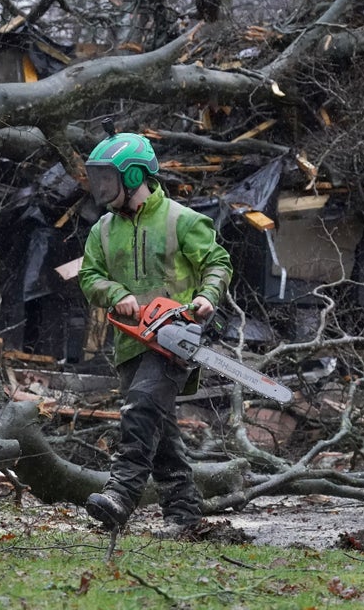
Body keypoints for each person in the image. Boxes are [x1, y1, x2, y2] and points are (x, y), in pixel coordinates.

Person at [78, 131, 233, 534]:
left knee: (141, 408)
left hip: (174, 340)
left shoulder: (182, 220)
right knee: (160, 432)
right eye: (98, 179)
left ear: (133, 176)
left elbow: (217, 261)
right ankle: (183, 516)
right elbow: (89, 276)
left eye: (107, 179)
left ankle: (121, 494)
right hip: (130, 342)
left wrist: (207, 297)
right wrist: (115, 293)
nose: (101, 187)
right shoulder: (103, 231)